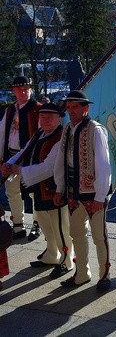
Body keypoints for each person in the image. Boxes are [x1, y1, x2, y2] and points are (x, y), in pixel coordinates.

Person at [2, 103, 74, 279]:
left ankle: (67, 260)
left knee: (60, 228)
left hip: (55, 190)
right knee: (45, 225)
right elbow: (24, 152)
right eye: (42, 117)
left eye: (50, 117)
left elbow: (49, 167)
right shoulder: (40, 133)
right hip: (39, 189)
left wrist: (20, 171)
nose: (45, 120)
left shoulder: (61, 137)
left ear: (59, 119)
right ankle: (52, 254)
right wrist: (10, 163)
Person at [53, 90, 112, 292]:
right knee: (76, 233)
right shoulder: (67, 129)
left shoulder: (96, 130)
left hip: (93, 193)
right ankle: (81, 273)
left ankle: (104, 275)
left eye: (75, 107)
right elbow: (60, 161)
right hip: (72, 192)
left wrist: (100, 195)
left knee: (98, 236)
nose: (71, 111)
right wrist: (60, 187)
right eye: (68, 107)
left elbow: (104, 165)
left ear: (85, 108)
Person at [0, 76, 41, 240]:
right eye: (19, 89)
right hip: (11, 155)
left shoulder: (38, 109)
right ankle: (18, 225)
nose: (23, 91)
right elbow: (2, 134)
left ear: (30, 89)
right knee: (12, 191)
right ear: (14, 91)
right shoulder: (10, 110)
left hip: (31, 157)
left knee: (34, 193)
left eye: (26, 88)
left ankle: (37, 224)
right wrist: (2, 160)